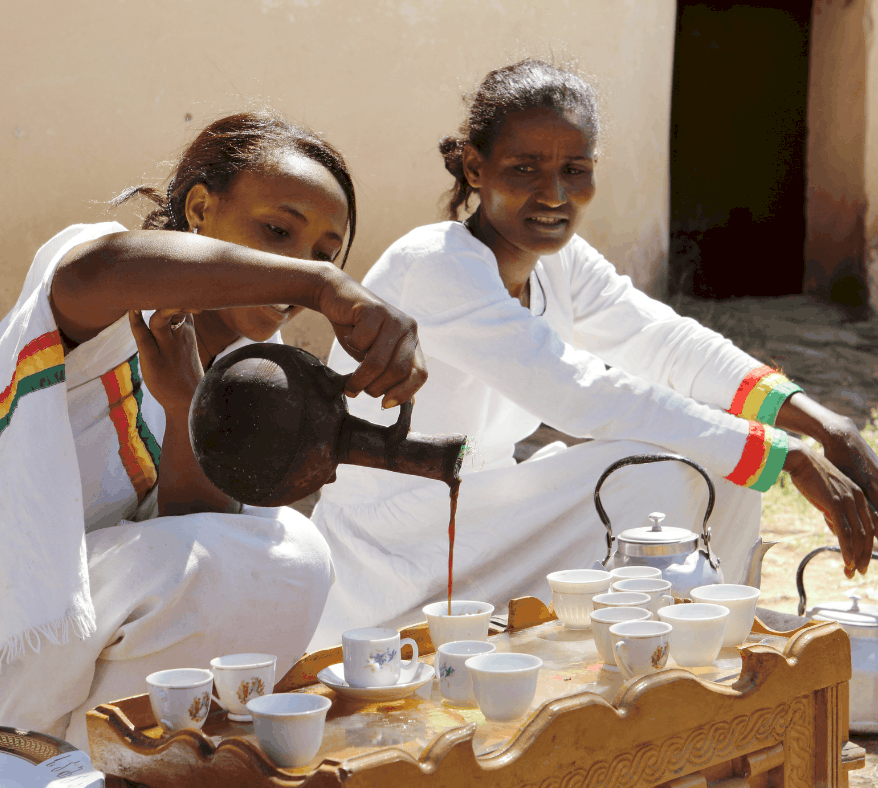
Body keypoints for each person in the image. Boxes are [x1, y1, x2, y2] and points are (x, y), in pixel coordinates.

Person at [307, 59, 878, 650]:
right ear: (476, 168)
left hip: (478, 514)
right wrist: (788, 457)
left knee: (722, 469)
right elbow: (581, 393)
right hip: (396, 540)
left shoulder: (558, 260)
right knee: (665, 467)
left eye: (574, 170)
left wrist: (824, 425)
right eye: (524, 168)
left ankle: (709, 656)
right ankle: (655, 660)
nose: (553, 194)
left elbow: (667, 341)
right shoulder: (437, 263)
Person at [0, 110, 426, 749]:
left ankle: (96, 757)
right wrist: (324, 283)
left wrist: (183, 408)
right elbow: (104, 269)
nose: (297, 269)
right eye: (277, 230)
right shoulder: (118, 289)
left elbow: (200, 549)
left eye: (321, 253)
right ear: (199, 208)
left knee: (285, 554)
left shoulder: (256, 374)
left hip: (61, 633)